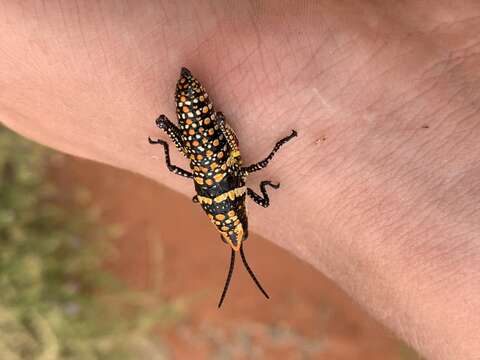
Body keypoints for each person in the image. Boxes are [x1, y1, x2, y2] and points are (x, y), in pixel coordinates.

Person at [1, 1, 479, 359]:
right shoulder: (215, 203)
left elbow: (248, 185)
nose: (239, 226)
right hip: (201, 143)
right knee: (181, 166)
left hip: (206, 137)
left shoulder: (236, 198)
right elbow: (191, 175)